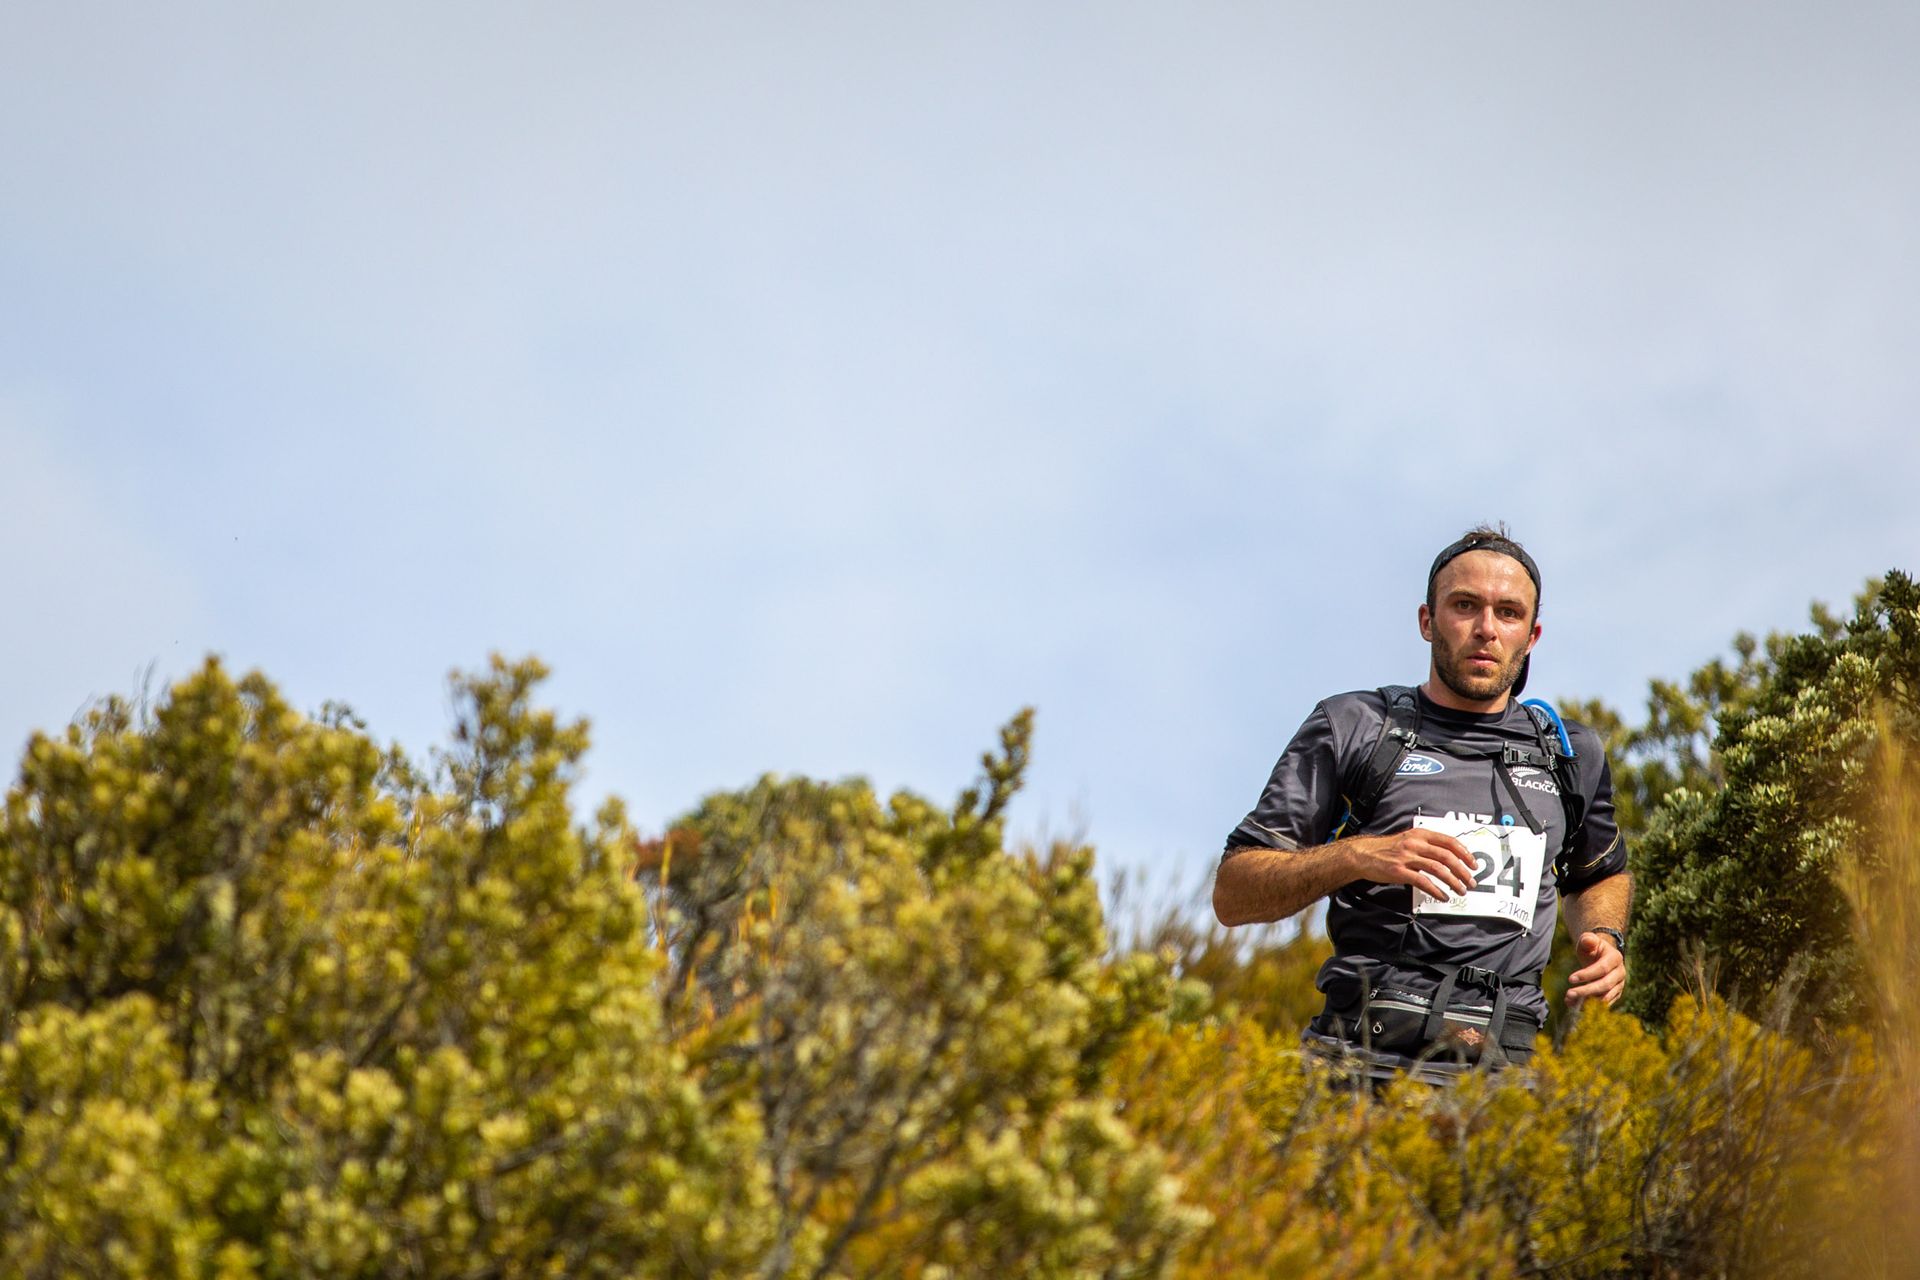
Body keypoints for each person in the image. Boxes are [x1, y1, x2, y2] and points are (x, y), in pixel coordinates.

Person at [1213, 525, 1630, 1082]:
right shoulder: (1356, 727)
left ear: (1531, 635)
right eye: (1465, 606)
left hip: (1505, 1080)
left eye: (1508, 613)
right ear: (1427, 621)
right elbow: (1234, 893)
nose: (1486, 629)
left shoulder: (1569, 753)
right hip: (1358, 1067)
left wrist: (1604, 937)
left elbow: (1598, 873)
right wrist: (1357, 856)